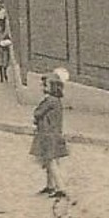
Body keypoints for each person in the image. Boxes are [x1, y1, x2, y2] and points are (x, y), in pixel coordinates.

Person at [30, 69, 69, 198]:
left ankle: (60, 188)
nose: (43, 87)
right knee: (49, 161)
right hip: (53, 134)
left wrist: (36, 118)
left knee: (51, 162)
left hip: (48, 135)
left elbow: (38, 113)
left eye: (45, 85)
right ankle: (50, 186)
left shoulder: (50, 101)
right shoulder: (56, 101)